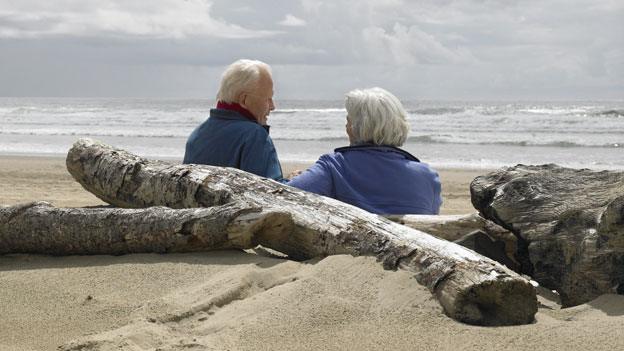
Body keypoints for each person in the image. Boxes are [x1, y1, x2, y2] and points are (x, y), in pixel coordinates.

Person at [287, 87, 442, 215]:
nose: (346, 127)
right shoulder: (428, 177)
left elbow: (287, 197)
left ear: (355, 128)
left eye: (348, 121)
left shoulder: (334, 167)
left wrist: (290, 180)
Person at [183, 59, 283, 181]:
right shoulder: (254, 136)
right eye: (268, 99)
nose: (272, 106)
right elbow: (272, 192)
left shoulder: (197, 135)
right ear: (244, 100)